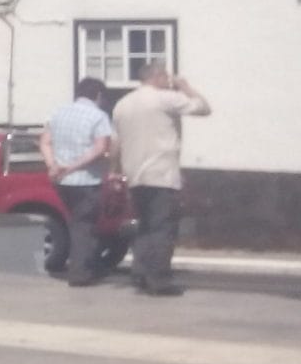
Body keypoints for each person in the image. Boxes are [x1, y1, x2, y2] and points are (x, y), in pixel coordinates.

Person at [111, 62, 211, 297]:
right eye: (166, 76)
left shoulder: (122, 104)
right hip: (161, 173)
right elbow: (203, 108)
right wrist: (185, 87)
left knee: (145, 226)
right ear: (156, 77)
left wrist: (114, 170)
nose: (169, 80)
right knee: (162, 228)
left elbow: (116, 144)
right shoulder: (165, 98)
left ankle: (141, 273)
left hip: (135, 174)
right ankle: (159, 279)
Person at [40, 76, 118, 285]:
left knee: (77, 222)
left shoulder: (58, 113)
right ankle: (80, 272)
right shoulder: (99, 116)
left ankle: (89, 266)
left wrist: (52, 165)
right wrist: (74, 166)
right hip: (87, 179)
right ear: (98, 95)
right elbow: (101, 148)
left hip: (61, 181)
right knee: (85, 226)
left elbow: (45, 142)